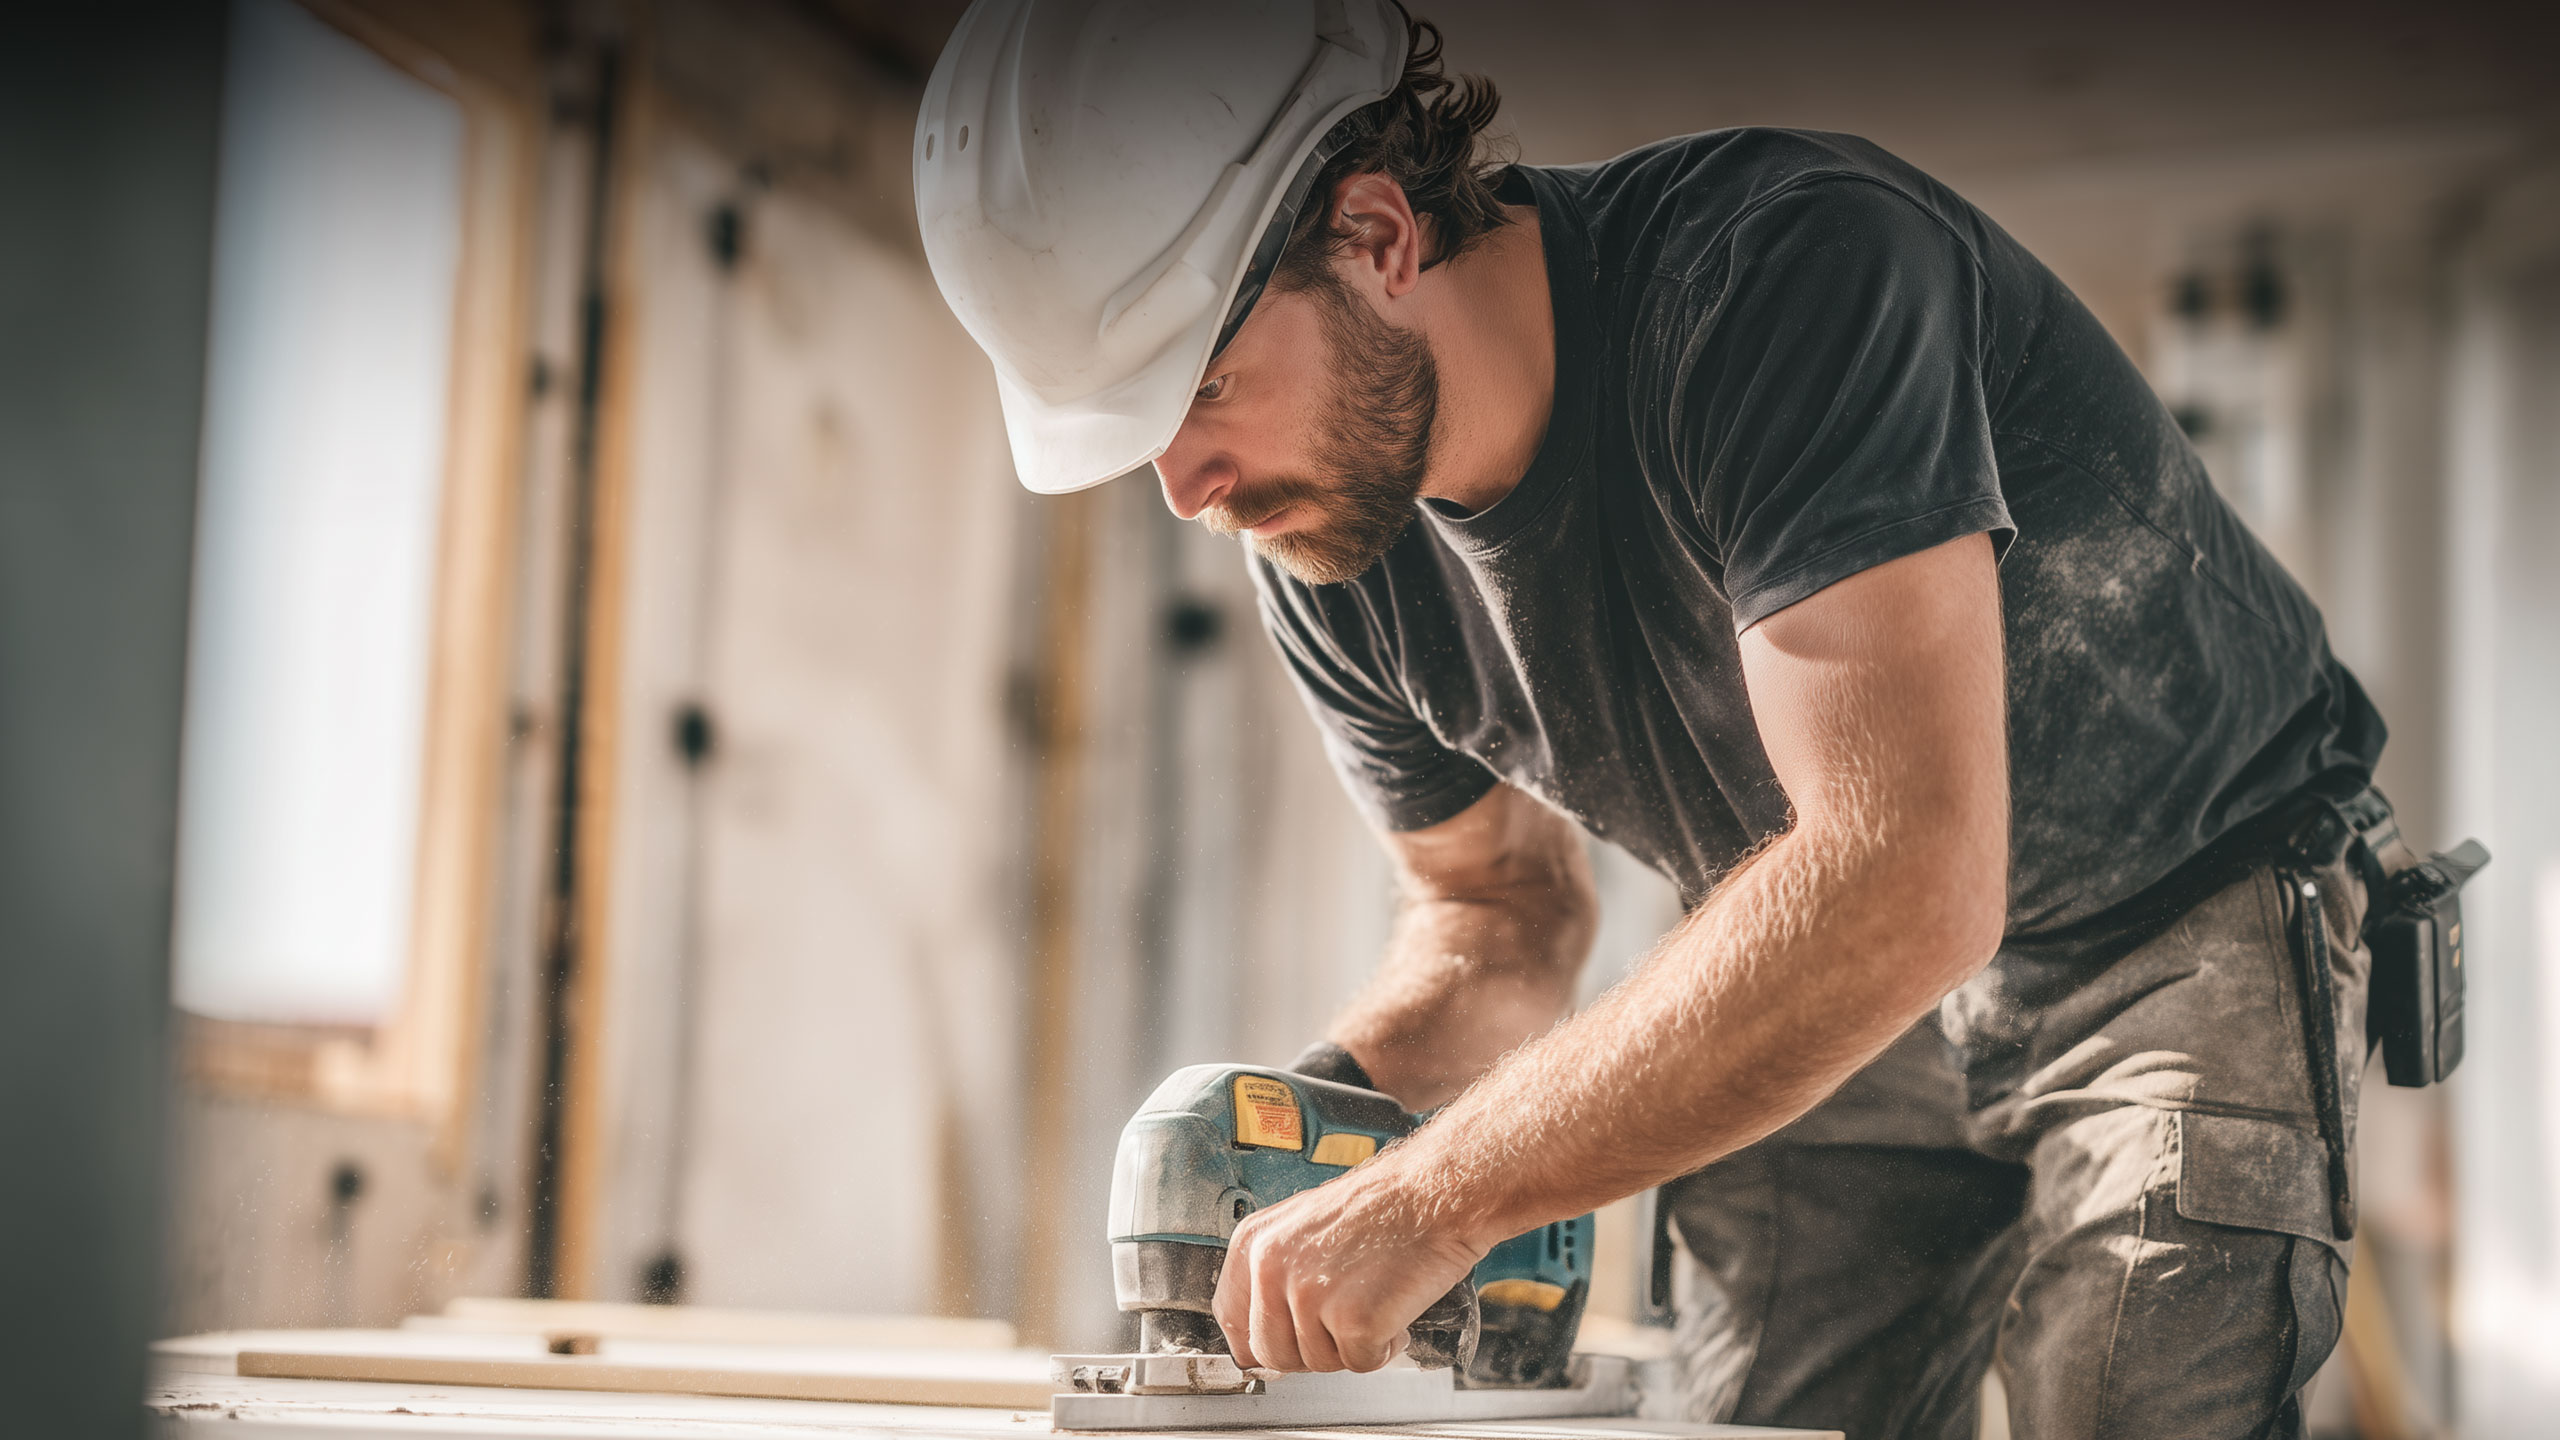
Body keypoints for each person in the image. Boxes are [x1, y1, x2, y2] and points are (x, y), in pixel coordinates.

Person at [917, 4, 2391, 1436]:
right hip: (1822, 976)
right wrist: (1306, 1148)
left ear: (1377, 237)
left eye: (1202, 388)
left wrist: (1430, 1201)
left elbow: (1907, 878)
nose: (1182, 486)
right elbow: (1497, 920)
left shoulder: (1778, 277)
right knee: (1752, 1424)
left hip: (2164, 928)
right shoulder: (1333, 551)